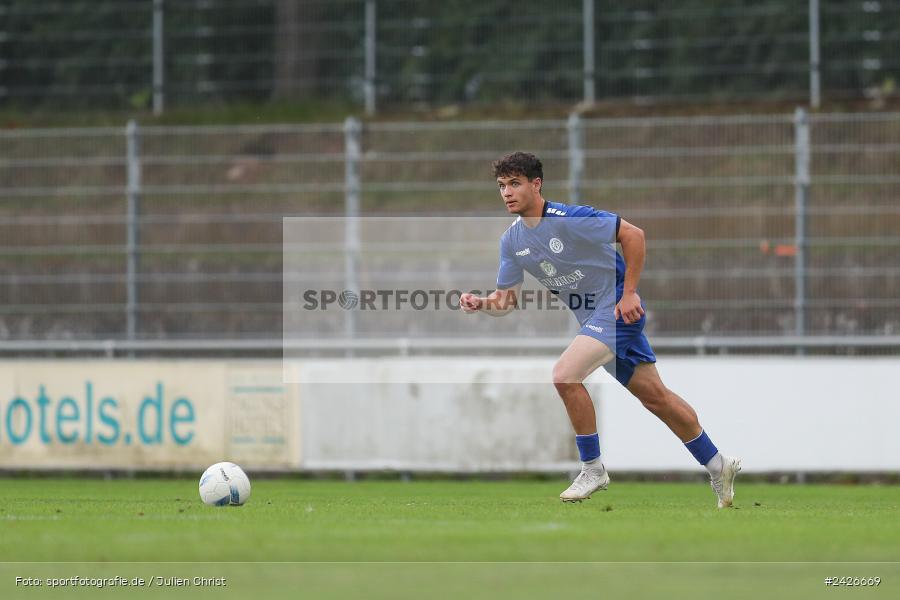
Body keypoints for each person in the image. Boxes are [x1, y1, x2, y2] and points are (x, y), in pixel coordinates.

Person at [460, 152, 741, 508]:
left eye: (515, 184)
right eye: (501, 186)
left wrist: (629, 293)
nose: (507, 193)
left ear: (536, 184)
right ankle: (719, 465)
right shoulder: (512, 242)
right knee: (657, 398)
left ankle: (592, 468)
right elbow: (506, 302)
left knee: (565, 375)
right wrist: (482, 304)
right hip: (597, 321)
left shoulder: (570, 219)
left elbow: (633, 235)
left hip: (618, 312)